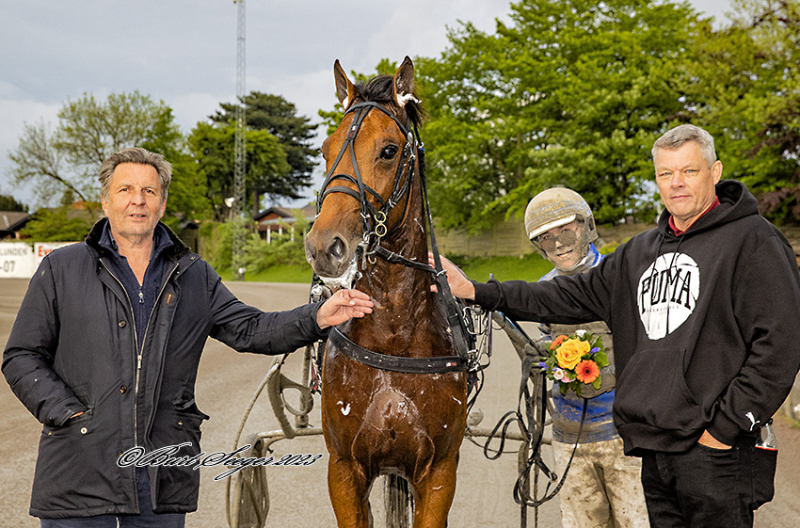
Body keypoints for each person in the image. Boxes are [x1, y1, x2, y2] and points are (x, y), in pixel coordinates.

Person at [438, 124, 800, 528]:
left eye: (689, 171)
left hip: (716, 455)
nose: (676, 183)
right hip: (654, 453)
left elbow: (781, 346)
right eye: (666, 174)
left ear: (714, 172)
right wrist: (475, 290)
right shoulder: (638, 253)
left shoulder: (753, 241)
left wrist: (724, 428)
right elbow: (561, 296)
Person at [2, 147, 373, 527]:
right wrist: (68, 413)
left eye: (149, 191)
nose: (137, 200)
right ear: (105, 200)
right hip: (77, 474)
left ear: (162, 203)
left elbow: (250, 329)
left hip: (160, 480)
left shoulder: (193, 274)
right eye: (125, 189)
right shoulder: (61, 269)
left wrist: (317, 316)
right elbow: (21, 356)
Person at [524, 187, 649, 528]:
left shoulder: (623, 278)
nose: (559, 243)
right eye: (546, 238)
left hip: (625, 438)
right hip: (570, 438)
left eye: (566, 230)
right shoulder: (544, 290)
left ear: (586, 225)